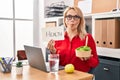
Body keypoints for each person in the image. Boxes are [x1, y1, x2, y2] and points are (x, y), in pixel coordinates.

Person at [47, 6, 99, 73]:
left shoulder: (87, 38)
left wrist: (88, 58)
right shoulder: (58, 37)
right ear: (65, 20)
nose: (72, 20)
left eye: (76, 17)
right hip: (62, 75)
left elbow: (95, 63)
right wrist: (53, 52)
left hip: (80, 77)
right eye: (69, 17)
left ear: (80, 20)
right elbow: (55, 64)